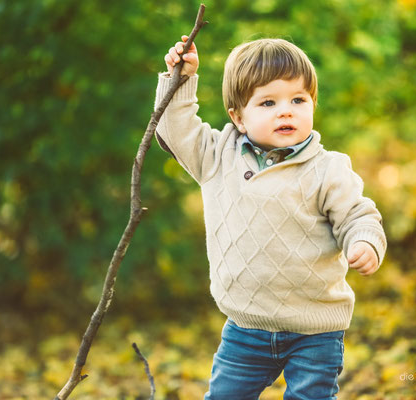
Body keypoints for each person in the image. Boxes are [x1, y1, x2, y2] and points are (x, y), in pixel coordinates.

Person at [155, 35, 387, 400]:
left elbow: (357, 215)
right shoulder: (217, 157)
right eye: (268, 102)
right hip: (245, 327)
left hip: (315, 329)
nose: (286, 110)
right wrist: (179, 79)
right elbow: (174, 130)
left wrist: (365, 241)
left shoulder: (327, 169)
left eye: (298, 99)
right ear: (238, 117)